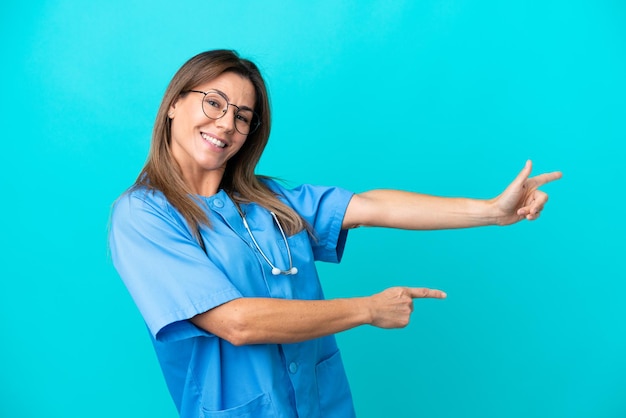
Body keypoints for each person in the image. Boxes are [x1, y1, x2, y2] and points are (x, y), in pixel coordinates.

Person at [109, 49, 562, 418]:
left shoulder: (269, 200)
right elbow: (236, 322)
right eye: (214, 103)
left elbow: (371, 205)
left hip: (321, 405)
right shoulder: (143, 217)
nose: (227, 123)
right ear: (173, 103)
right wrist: (367, 309)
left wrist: (492, 212)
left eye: (243, 116)